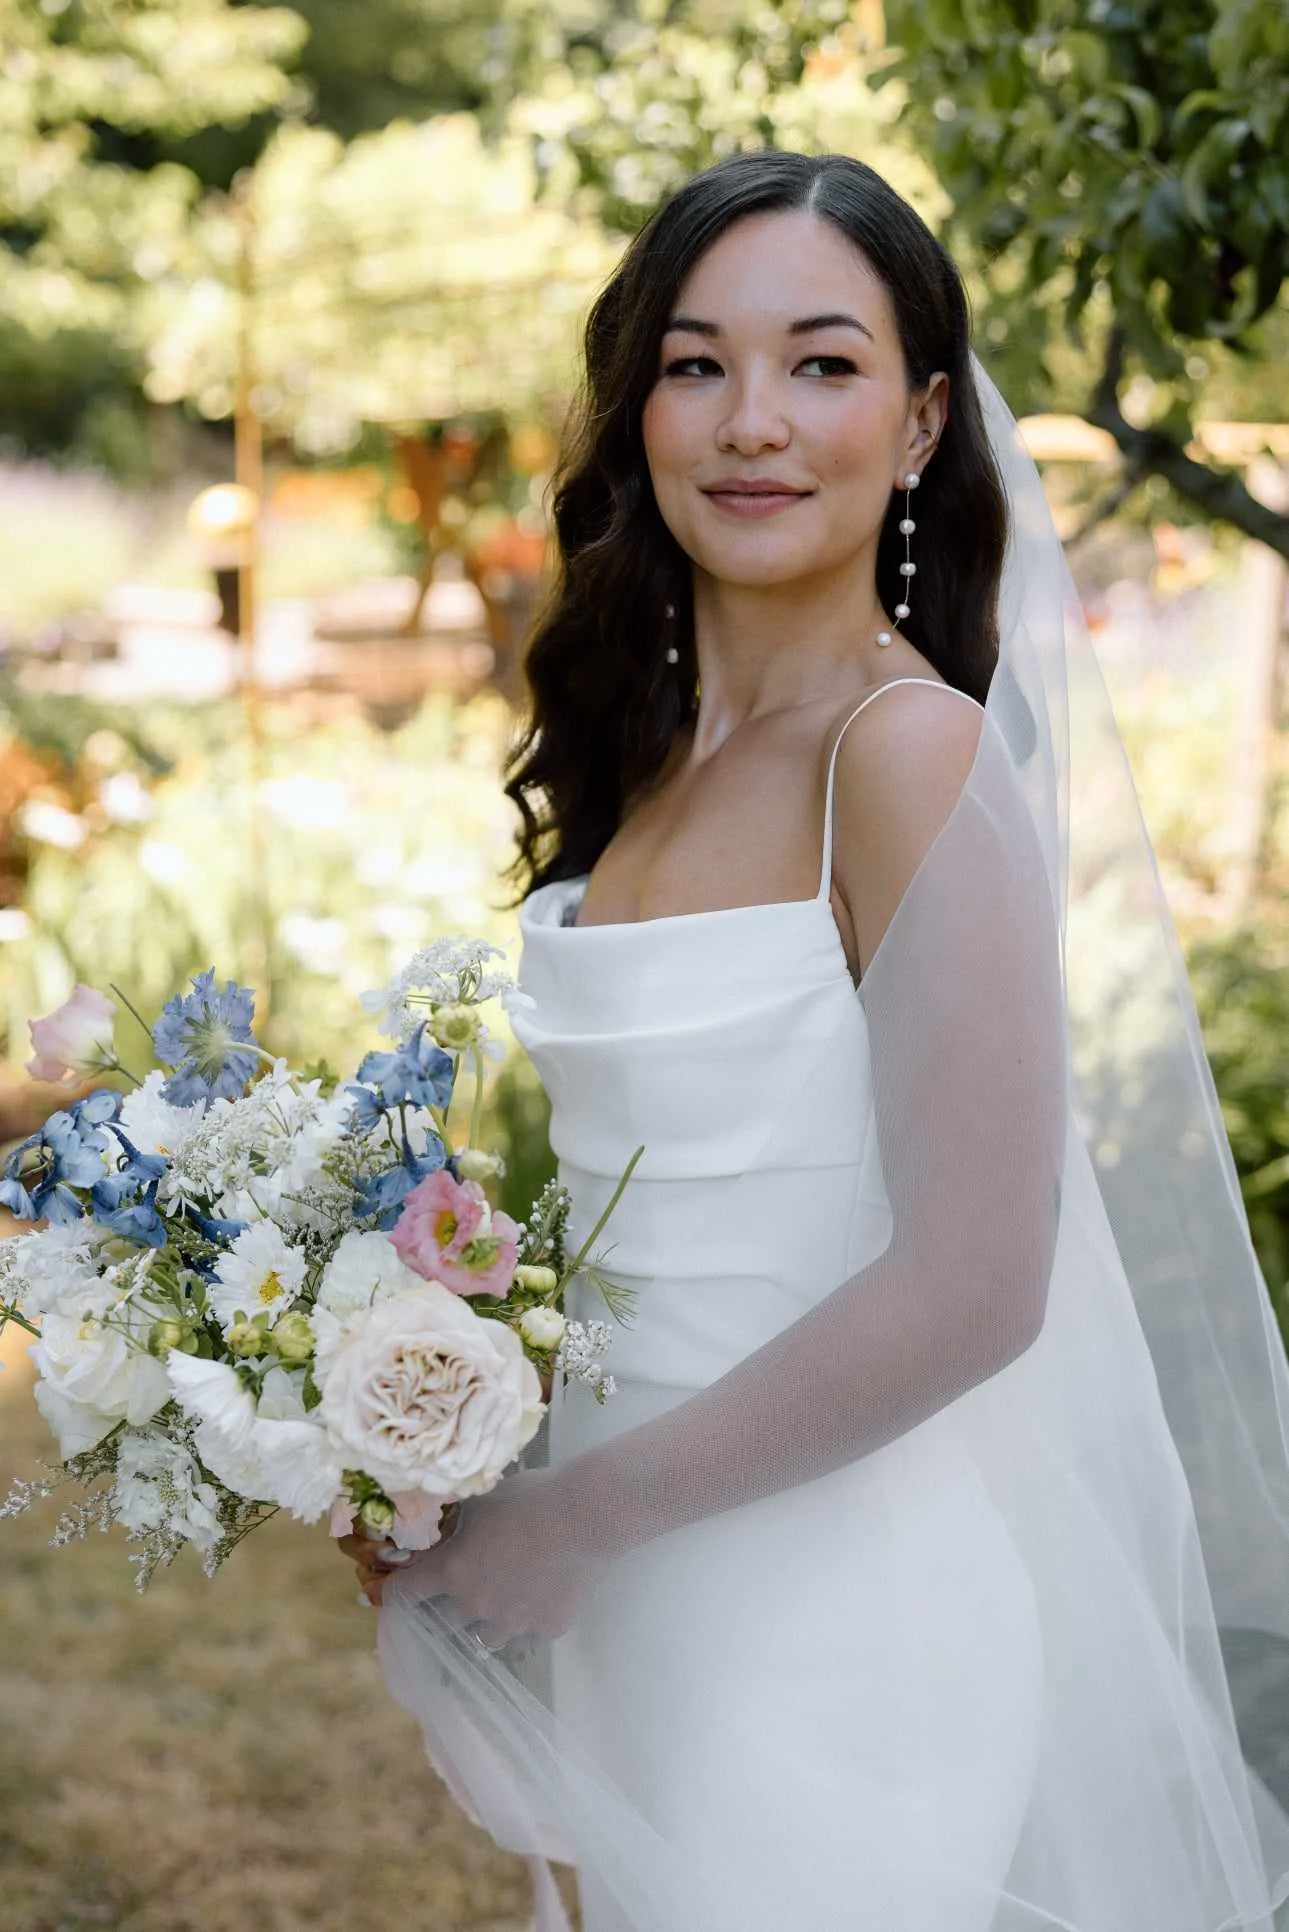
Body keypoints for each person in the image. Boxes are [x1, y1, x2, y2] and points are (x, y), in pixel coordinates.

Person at [348, 153, 1289, 1931]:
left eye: (825, 363)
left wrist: (576, 1522)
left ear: (927, 419)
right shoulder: (655, 756)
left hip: (836, 1613)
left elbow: (974, 1285)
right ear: (637, 414)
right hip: (643, 1594)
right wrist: (443, 1434)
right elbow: (682, 1225)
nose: (752, 422)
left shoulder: (905, 754)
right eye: (696, 364)